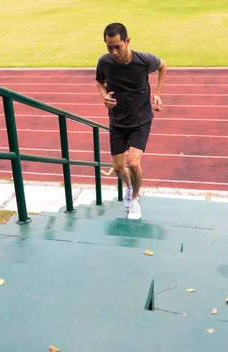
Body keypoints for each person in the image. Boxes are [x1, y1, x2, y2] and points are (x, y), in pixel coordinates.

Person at [95, 22, 166, 220]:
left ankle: (135, 198)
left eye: (118, 46)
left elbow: (163, 66)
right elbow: (99, 81)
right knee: (118, 168)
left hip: (141, 119)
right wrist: (104, 97)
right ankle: (128, 187)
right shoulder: (105, 62)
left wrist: (158, 94)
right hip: (117, 121)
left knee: (133, 163)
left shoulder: (144, 60)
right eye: (109, 47)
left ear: (127, 41)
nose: (114, 52)